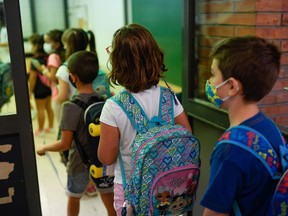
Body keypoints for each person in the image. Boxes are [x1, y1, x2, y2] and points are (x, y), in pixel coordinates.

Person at [97, 23, 192, 215]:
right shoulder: (168, 97)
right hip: (168, 188)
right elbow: (187, 136)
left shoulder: (113, 106)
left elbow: (106, 157)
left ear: (117, 63)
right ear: (154, 58)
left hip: (130, 192)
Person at [200, 36, 282, 215]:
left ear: (231, 86)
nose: (210, 82)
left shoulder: (230, 151)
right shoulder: (270, 128)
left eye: (213, 74)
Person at [36, 50, 116, 216]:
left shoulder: (70, 106)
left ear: (73, 77)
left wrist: (44, 147)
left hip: (79, 163)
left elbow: (64, 143)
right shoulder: (104, 102)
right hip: (102, 162)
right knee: (109, 200)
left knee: (74, 197)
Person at [56, 28, 99, 196]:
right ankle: (91, 184)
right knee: (92, 147)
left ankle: (80, 186)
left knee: (76, 150)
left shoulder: (65, 69)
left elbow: (62, 96)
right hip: (94, 116)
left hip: (74, 115)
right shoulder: (92, 62)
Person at [27, 33, 53, 137]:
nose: (31, 47)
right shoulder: (47, 57)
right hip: (48, 86)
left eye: (31, 45)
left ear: (36, 46)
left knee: (40, 109)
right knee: (48, 107)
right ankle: (51, 126)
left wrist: (30, 91)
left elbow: (32, 78)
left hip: (39, 89)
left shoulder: (34, 61)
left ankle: (41, 129)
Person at [41, 29, 65, 123]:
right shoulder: (63, 55)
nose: (45, 44)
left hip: (57, 94)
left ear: (57, 44)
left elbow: (53, 77)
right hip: (65, 92)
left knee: (61, 124)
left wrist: (44, 70)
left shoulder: (53, 56)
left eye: (47, 42)